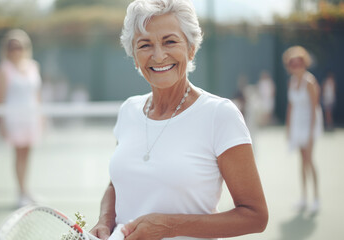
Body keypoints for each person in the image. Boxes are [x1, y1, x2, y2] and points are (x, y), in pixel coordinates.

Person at [90, 1, 268, 239]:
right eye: (144, 45)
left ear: (191, 48)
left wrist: (170, 227)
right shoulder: (128, 111)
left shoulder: (220, 115)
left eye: (170, 41)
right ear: (134, 56)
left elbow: (255, 216)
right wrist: (105, 221)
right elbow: (116, 186)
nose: (159, 55)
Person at [0, 29, 42, 207]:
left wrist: (41, 118)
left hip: (31, 118)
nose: (16, 50)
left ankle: (26, 190)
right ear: (6, 50)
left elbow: (37, 95)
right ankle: (20, 192)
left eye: (19, 47)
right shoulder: (3, 69)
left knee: (27, 153)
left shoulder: (33, 66)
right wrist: (2, 124)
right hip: (14, 119)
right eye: (12, 47)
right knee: (18, 153)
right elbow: (0, 98)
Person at [283, 46, 323, 214]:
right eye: (292, 63)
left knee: (309, 160)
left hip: (310, 124)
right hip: (297, 124)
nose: (296, 66)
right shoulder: (291, 82)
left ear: (304, 63)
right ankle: (304, 198)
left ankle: (316, 198)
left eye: (299, 62)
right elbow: (291, 106)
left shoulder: (310, 82)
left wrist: (310, 133)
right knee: (302, 160)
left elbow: (314, 108)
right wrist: (288, 127)